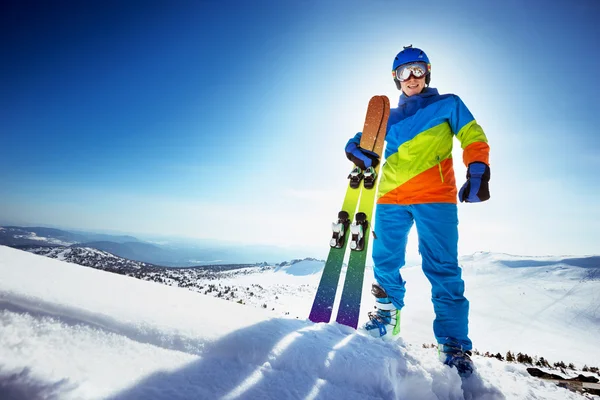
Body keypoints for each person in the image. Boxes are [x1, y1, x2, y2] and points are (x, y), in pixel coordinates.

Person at [344, 45, 490, 378]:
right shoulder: (389, 117)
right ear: (395, 79)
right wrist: (354, 149)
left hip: (435, 197)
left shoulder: (447, 104)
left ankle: (454, 345)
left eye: (418, 70)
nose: (412, 78)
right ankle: (386, 317)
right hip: (390, 198)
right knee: (385, 259)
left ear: (428, 73)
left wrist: (478, 167)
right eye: (403, 72)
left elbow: (472, 135)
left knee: (443, 268)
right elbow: (361, 140)